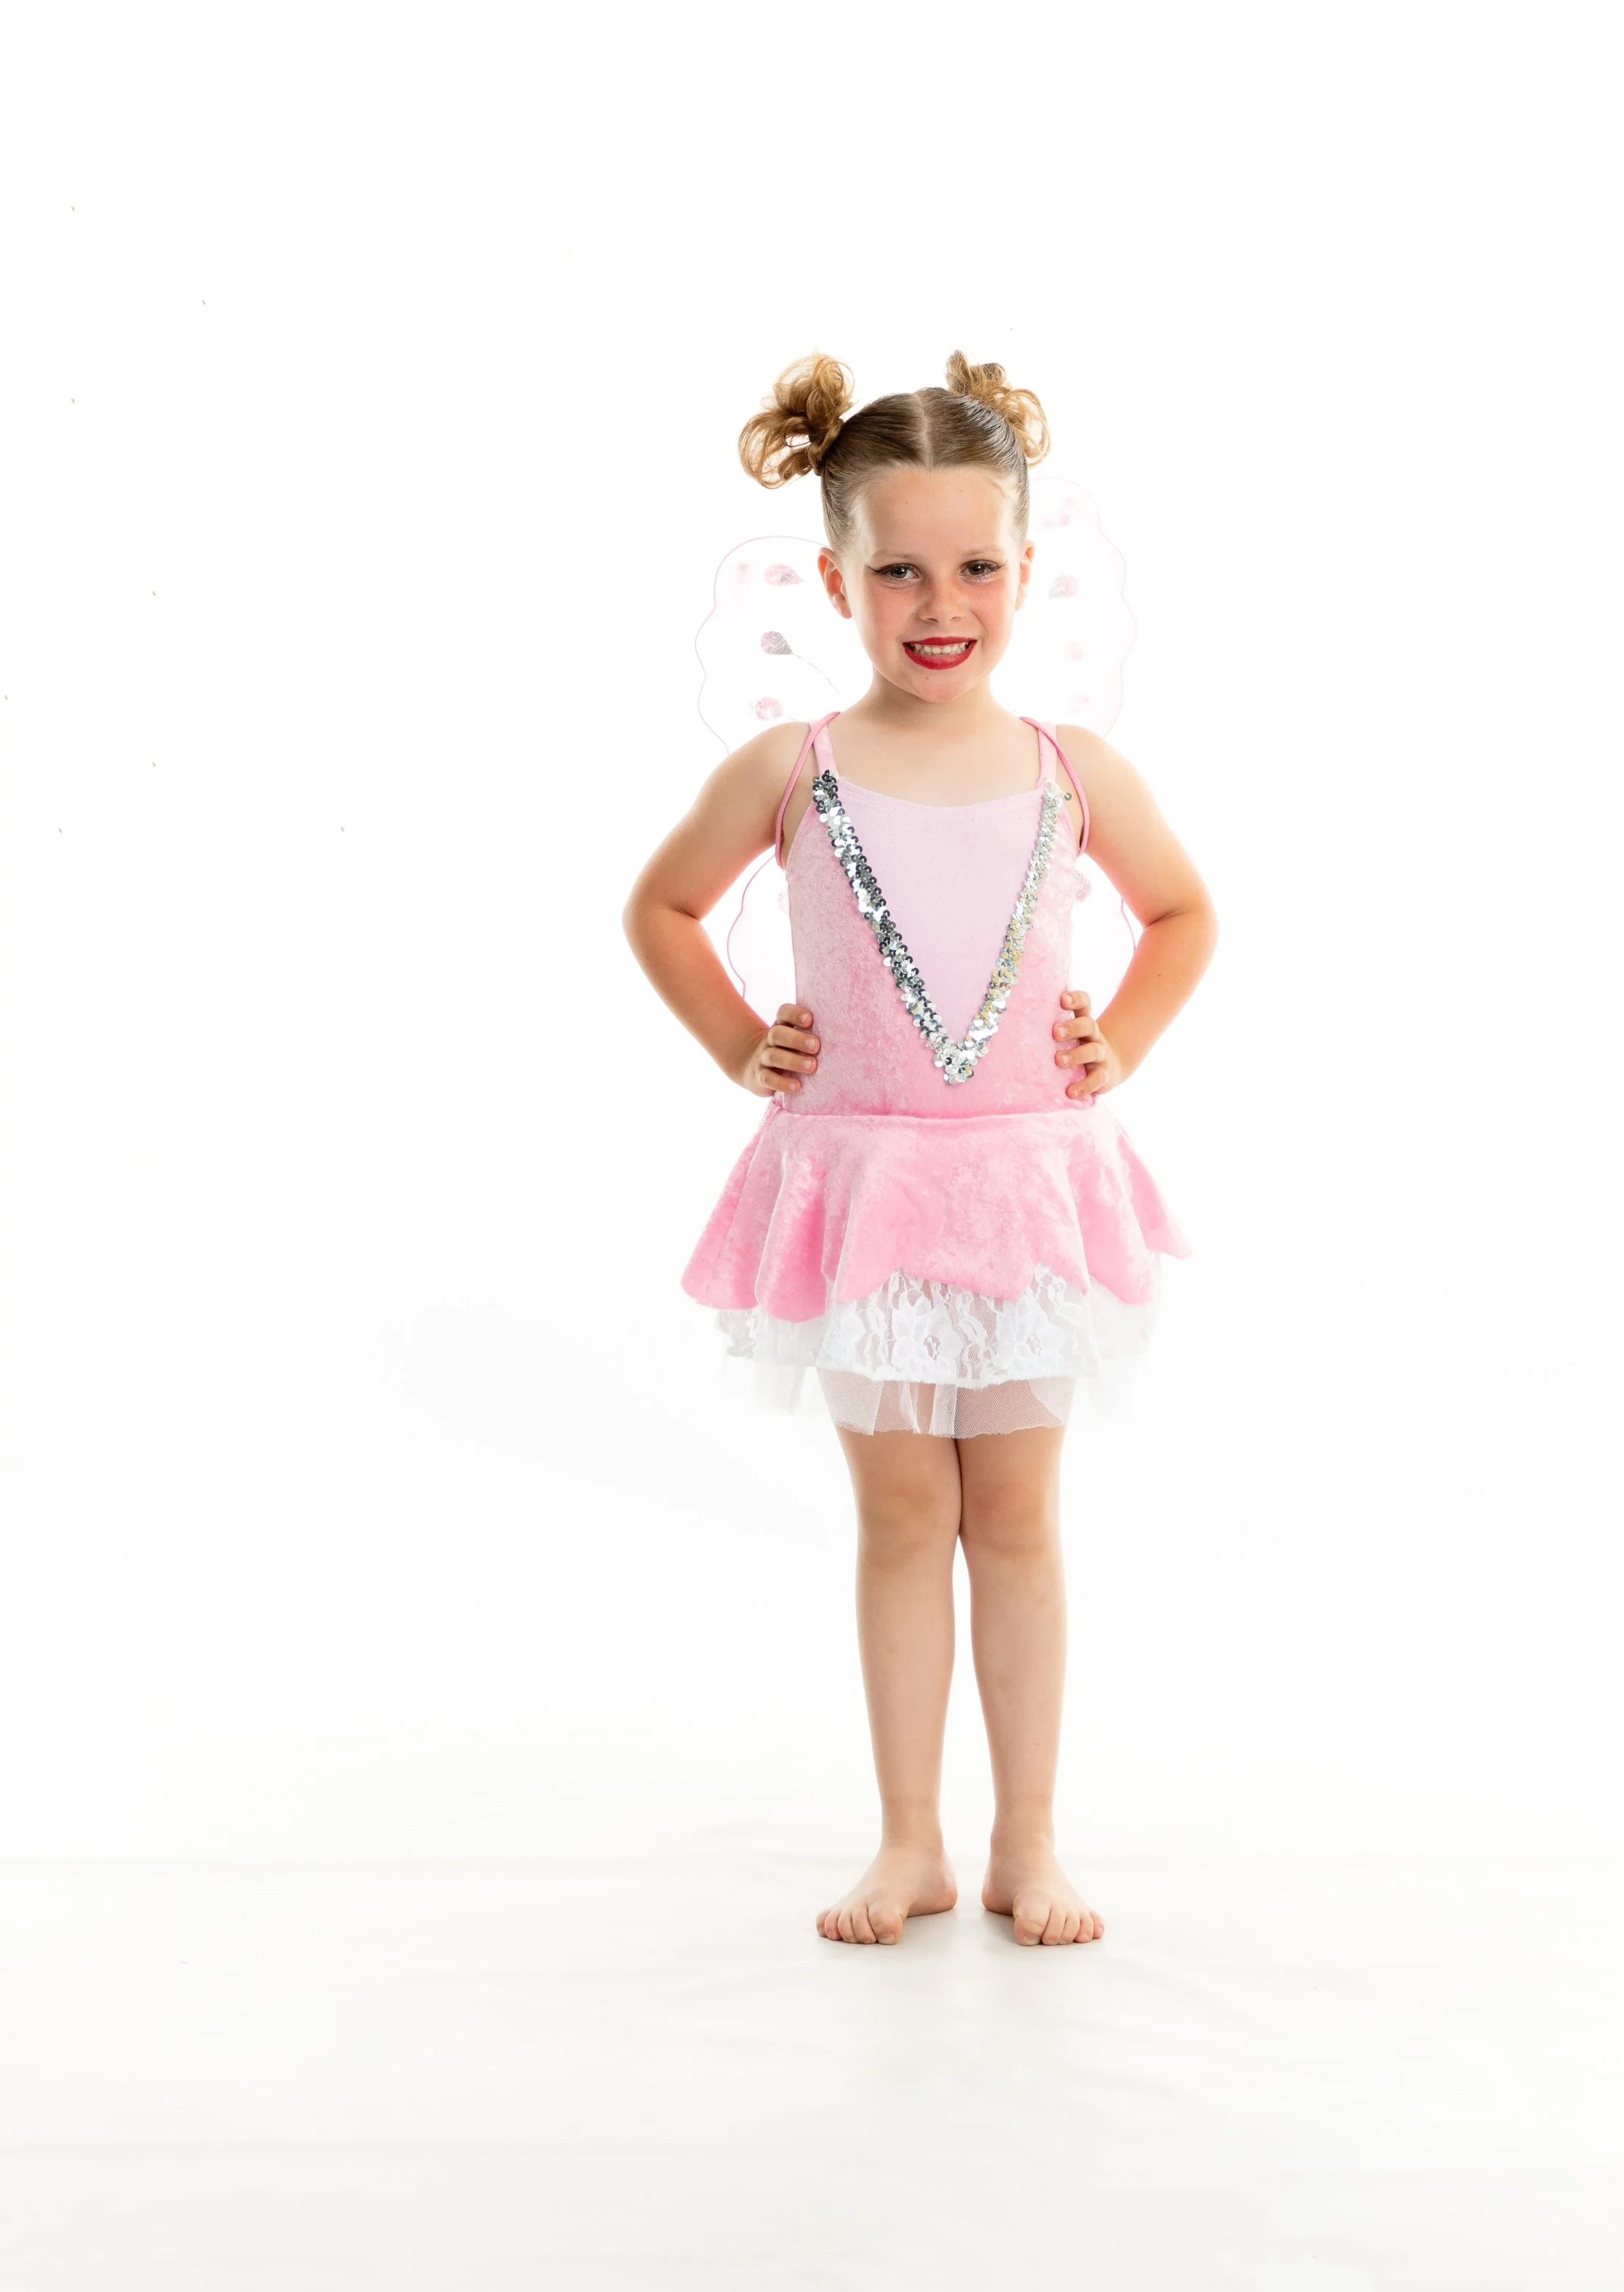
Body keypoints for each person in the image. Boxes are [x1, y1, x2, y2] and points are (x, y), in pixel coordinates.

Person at [622, 351, 1218, 1946]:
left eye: (972, 565)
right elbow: (660, 908)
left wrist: (1126, 1035)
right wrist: (743, 1040)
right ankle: (908, 1840)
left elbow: (1182, 911)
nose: (934, 598)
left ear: (1026, 571)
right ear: (835, 576)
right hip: (866, 1188)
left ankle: (1028, 1835)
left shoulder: (1069, 771)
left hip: (1022, 1186)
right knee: (902, 1518)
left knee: (1014, 1515)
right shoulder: (791, 769)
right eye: (895, 567)